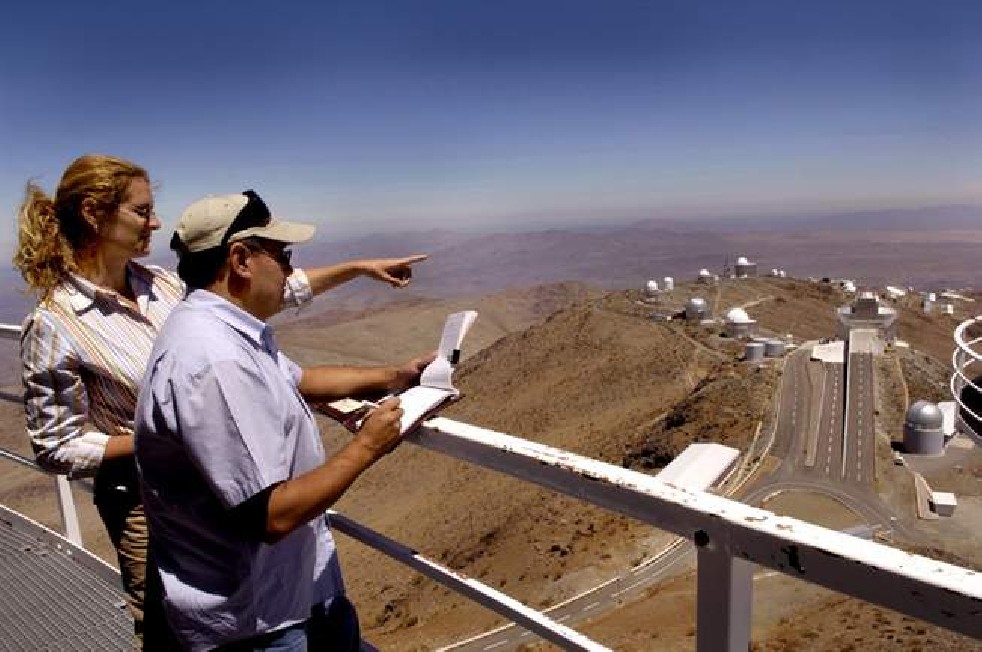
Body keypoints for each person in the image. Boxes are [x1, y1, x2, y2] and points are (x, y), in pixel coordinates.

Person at [13, 154, 427, 643]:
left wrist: (361, 281)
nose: (155, 221)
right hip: (151, 504)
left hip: (221, 496)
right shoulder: (57, 324)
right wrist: (163, 439)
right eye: (142, 211)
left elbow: (263, 290)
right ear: (93, 214)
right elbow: (56, 444)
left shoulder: (166, 287)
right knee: (170, 623)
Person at [134, 190, 426, 651]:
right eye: (283, 256)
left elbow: (298, 379)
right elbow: (270, 515)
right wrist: (368, 446)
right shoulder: (215, 360)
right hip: (258, 620)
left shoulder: (224, 330)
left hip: (293, 592)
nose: (290, 271)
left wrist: (394, 376)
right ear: (241, 260)